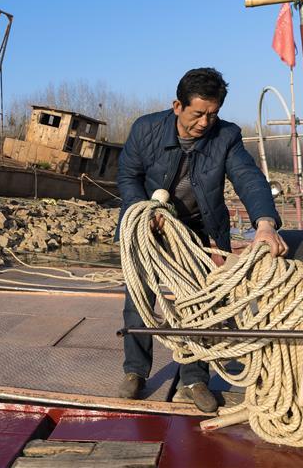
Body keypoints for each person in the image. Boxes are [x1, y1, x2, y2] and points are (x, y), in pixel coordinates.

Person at [115, 67, 287, 412]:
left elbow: (249, 179)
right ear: (177, 105)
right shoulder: (145, 129)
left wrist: (265, 224)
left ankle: (195, 379)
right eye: (198, 113)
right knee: (139, 300)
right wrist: (146, 211)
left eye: (213, 114)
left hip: (196, 230)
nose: (205, 123)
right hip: (147, 226)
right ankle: (135, 372)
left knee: (197, 303)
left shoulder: (227, 136)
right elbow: (128, 177)